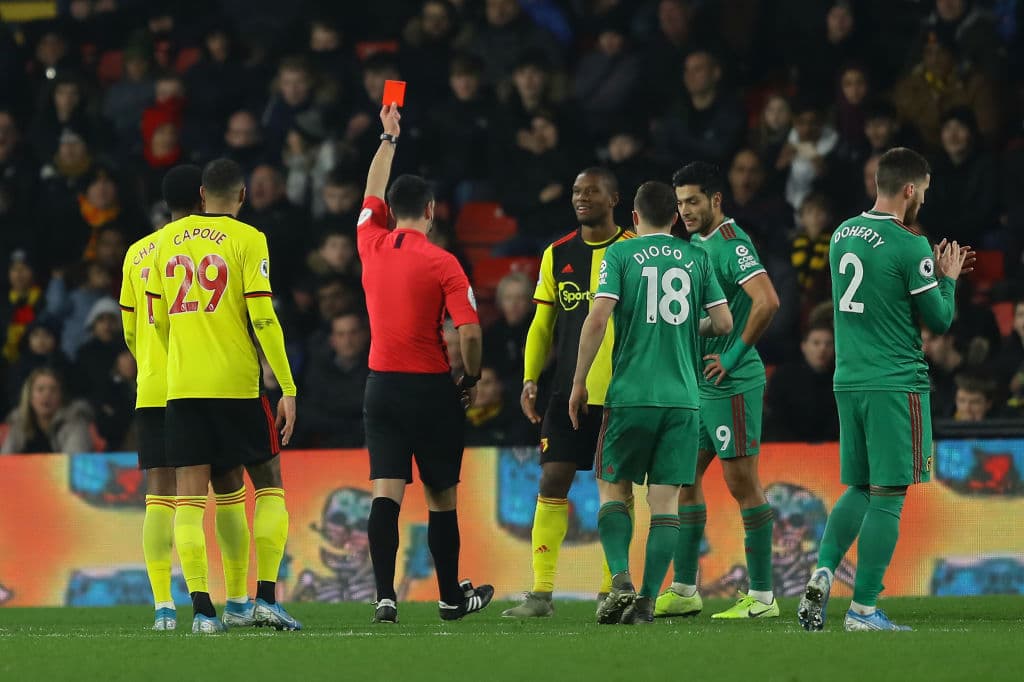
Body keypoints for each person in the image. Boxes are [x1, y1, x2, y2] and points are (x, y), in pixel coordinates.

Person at [798, 147, 972, 632]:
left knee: (857, 486)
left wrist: (924, 275)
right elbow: (938, 318)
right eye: (925, 192)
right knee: (889, 494)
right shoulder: (908, 243)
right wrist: (948, 279)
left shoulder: (841, 235)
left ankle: (823, 571)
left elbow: (875, 294)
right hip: (895, 382)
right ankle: (863, 610)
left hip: (848, 379)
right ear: (911, 189)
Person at [145, 159, 300, 633]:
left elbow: (159, 325)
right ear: (242, 195)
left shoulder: (161, 243)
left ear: (199, 193)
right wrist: (288, 386)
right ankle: (265, 599)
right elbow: (264, 318)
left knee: (188, 501)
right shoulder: (249, 240)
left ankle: (203, 613)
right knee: (269, 484)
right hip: (237, 386)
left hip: (184, 390)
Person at [569, 180, 733, 624]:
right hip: (682, 401)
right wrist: (680, 331)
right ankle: (645, 601)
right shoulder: (698, 257)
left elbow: (597, 318)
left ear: (635, 219)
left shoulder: (621, 254)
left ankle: (620, 577)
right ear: (676, 218)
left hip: (631, 396)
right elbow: (723, 320)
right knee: (664, 504)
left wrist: (579, 381)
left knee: (612, 489)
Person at [359, 103, 493, 624]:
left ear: (391, 210)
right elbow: (471, 332)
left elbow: (372, 188)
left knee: (385, 492)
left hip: (382, 388)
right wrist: (472, 377)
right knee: (441, 498)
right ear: (433, 210)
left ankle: (385, 597)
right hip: (433, 389)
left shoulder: (369, 241)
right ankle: (449, 598)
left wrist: (388, 138)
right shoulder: (444, 262)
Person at [502, 167, 634, 619]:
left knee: (615, 491)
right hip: (567, 391)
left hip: (621, 391)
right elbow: (542, 325)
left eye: (591, 192)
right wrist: (530, 378)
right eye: (577, 192)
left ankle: (607, 591)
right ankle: (541, 594)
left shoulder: (635, 251)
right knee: (552, 479)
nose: (581, 198)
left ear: (614, 198)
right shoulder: (557, 254)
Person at [658, 161, 782, 620]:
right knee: (683, 480)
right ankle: (686, 589)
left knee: (741, 483)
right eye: (679, 203)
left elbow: (768, 301)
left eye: (692, 201)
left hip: (732, 382)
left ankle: (764, 597)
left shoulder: (732, 244)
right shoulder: (694, 243)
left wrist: (731, 356)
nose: (685, 210)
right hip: (699, 384)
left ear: (715, 200)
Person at [764, 323, 839, 442]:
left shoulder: (840, 380)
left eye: (828, 344)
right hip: (789, 447)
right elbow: (775, 418)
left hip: (831, 448)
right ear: (804, 346)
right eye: (816, 343)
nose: (822, 349)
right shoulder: (783, 377)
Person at [1, 367, 92, 454]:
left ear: (61, 397)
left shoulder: (75, 421)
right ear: (30, 397)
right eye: (40, 390)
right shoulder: (19, 422)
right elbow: (5, 461)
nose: (47, 395)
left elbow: (74, 463)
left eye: (53, 390)